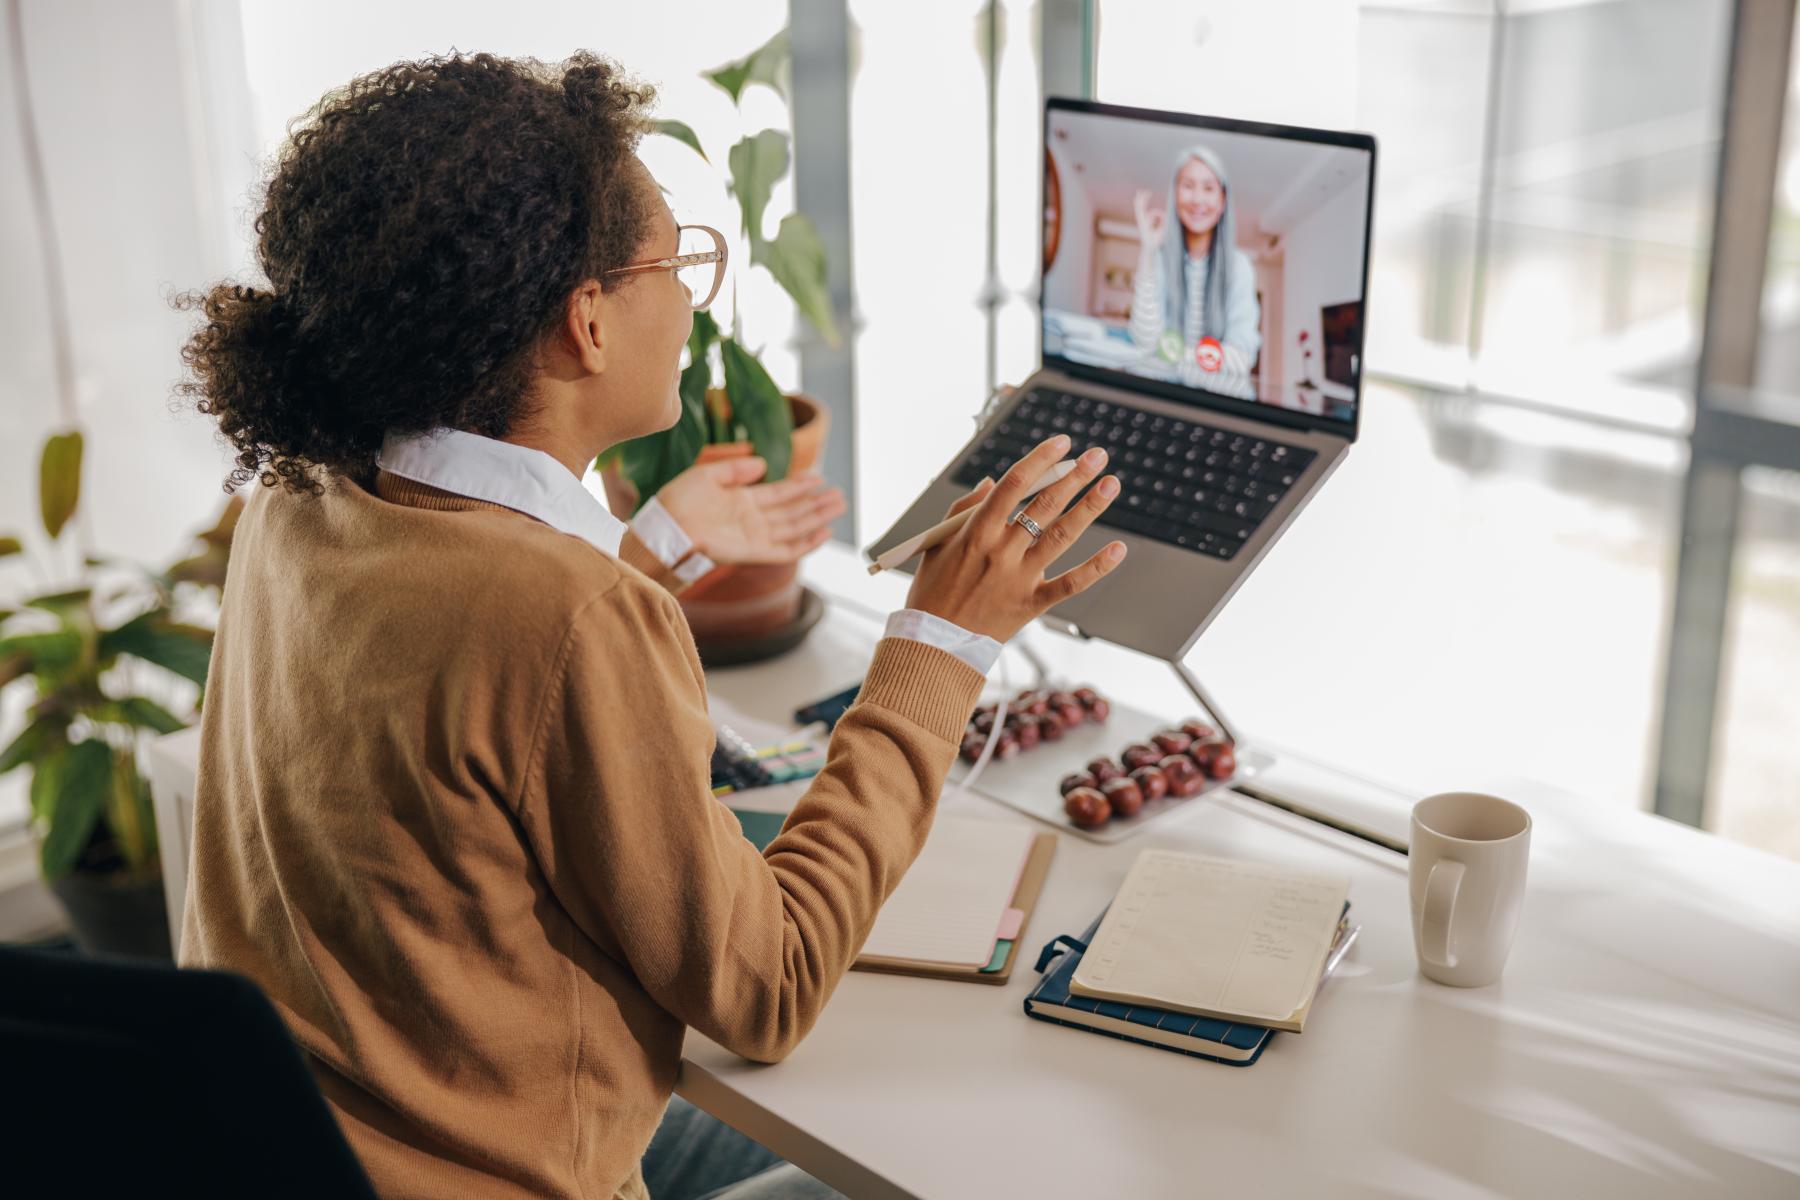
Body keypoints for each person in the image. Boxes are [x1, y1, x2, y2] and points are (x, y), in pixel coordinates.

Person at [174, 51, 1126, 1200]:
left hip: (304, 1146)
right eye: (677, 261)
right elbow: (767, 987)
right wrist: (940, 645)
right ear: (587, 323)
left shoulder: (303, 500)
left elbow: (460, 675)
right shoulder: (570, 618)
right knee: (957, 1167)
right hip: (504, 1171)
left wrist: (652, 548)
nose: (690, 295)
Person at [1127, 144, 1261, 400]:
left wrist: (1170, 355)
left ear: (1223, 201)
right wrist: (1148, 250)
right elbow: (1144, 340)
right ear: (1174, 195)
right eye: (1188, 186)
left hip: (1221, 401)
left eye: (1209, 188)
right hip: (1164, 396)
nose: (1198, 199)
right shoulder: (1159, 257)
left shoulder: (1240, 266)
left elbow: (1241, 359)